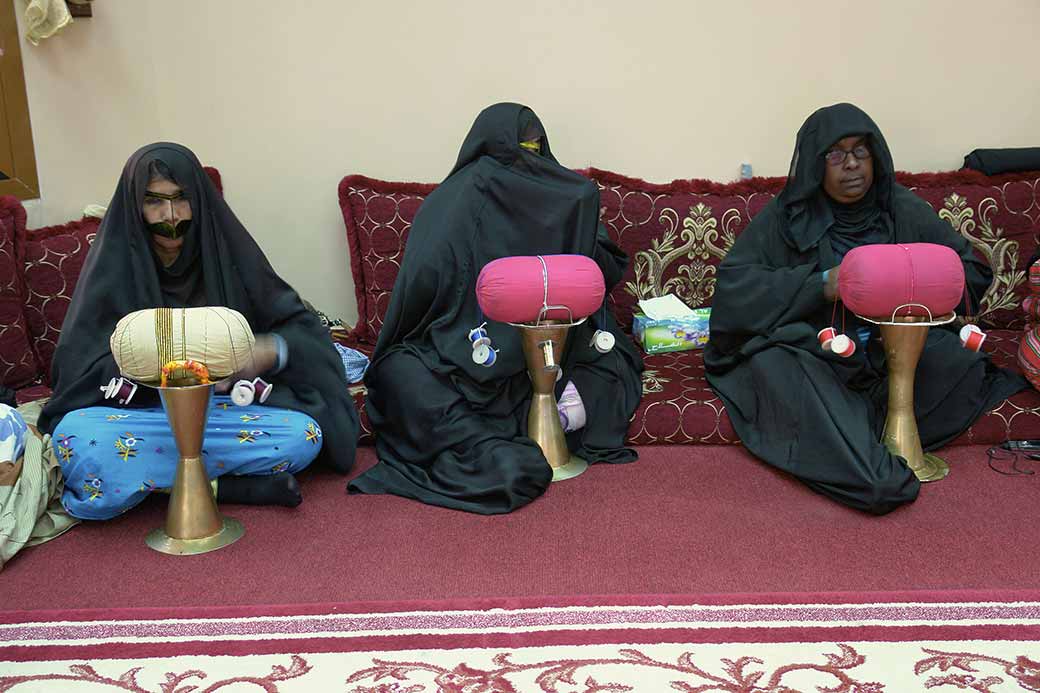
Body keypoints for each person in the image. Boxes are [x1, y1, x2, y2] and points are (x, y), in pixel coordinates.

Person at [705, 103, 1027, 514]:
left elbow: (969, 273)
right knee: (775, 369)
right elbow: (734, 289)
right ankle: (869, 463)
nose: (852, 165)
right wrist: (824, 285)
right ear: (815, 163)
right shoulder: (788, 215)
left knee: (959, 363)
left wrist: (898, 277)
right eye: (835, 155)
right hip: (815, 351)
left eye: (861, 152)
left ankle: (854, 429)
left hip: (893, 350)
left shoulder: (900, 207)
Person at [348, 103, 643, 514]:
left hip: (552, 347)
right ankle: (495, 445)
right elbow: (421, 292)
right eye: (519, 149)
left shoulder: (568, 199)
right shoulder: (455, 202)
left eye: (535, 149)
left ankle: (530, 426)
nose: (528, 159)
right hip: (460, 349)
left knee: (611, 363)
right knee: (399, 373)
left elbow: (602, 273)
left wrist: (572, 227)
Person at [38, 143, 358, 520]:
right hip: (145, 416)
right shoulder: (114, 266)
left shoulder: (228, 253)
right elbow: (77, 372)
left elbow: (302, 331)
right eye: (154, 202)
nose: (169, 216)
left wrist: (269, 350)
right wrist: (151, 367)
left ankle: (154, 485)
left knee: (302, 435)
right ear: (134, 207)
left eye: (181, 199)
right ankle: (230, 488)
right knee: (80, 440)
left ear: (200, 202)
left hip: (225, 413)